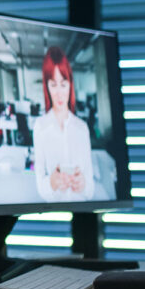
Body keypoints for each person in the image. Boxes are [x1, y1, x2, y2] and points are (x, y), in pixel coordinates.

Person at [32, 46, 94, 202]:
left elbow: (90, 189)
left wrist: (84, 185)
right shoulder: (40, 127)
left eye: (63, 84)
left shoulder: (82, 128)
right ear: (46, 86)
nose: (59, 93)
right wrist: (52, 183)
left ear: (70, 85)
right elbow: (41, 188)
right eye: (53, 84)